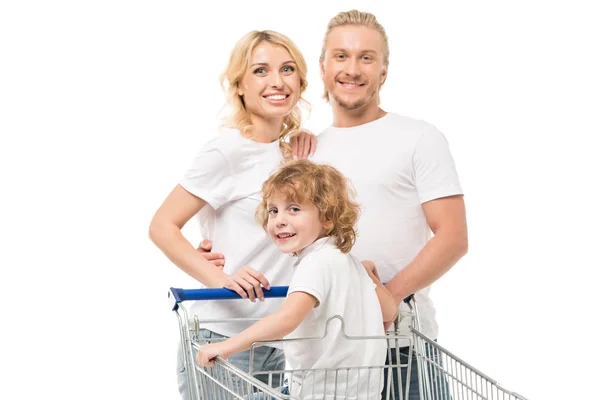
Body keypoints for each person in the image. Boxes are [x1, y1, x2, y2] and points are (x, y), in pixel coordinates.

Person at [309, 9, 469, 399]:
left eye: (366, 57)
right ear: (323, 67)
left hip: (404, 351)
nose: (352, 69)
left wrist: (388, 299)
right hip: (328, 353)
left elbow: (453, 237)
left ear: (383, 70)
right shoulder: (307, 152)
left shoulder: (418, 137)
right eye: (341, 56)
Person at [148, 30, 315, 399]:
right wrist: (220, 278)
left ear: (301, 82)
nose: (277, 81)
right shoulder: (226, 152)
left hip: (275, 341)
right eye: (260, 71)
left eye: (287, 69)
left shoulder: (295, 154)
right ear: (239, 85)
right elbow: (162, 226)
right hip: (222, 340)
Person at [196, 159, 398, 400]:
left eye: (294, 209)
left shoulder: (314, 263)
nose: (279, 219)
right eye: (273, 210)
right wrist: (368, 274)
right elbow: (390, 312)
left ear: (328, 218)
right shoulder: (349, 262)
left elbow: (287, 319)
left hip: (318, 394)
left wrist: (225, 346)